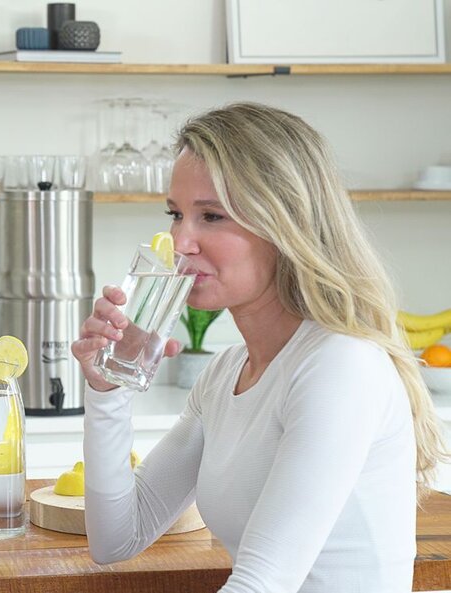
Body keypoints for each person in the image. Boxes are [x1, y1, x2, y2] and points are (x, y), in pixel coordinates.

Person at [72, 102, 446, 592]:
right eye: (176, 214)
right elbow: (117, 538)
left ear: (283, 224)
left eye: (211, 216)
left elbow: (262, 584)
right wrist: (108, 389)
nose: (181, 241)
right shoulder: (227, 373)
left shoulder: (339, 365)